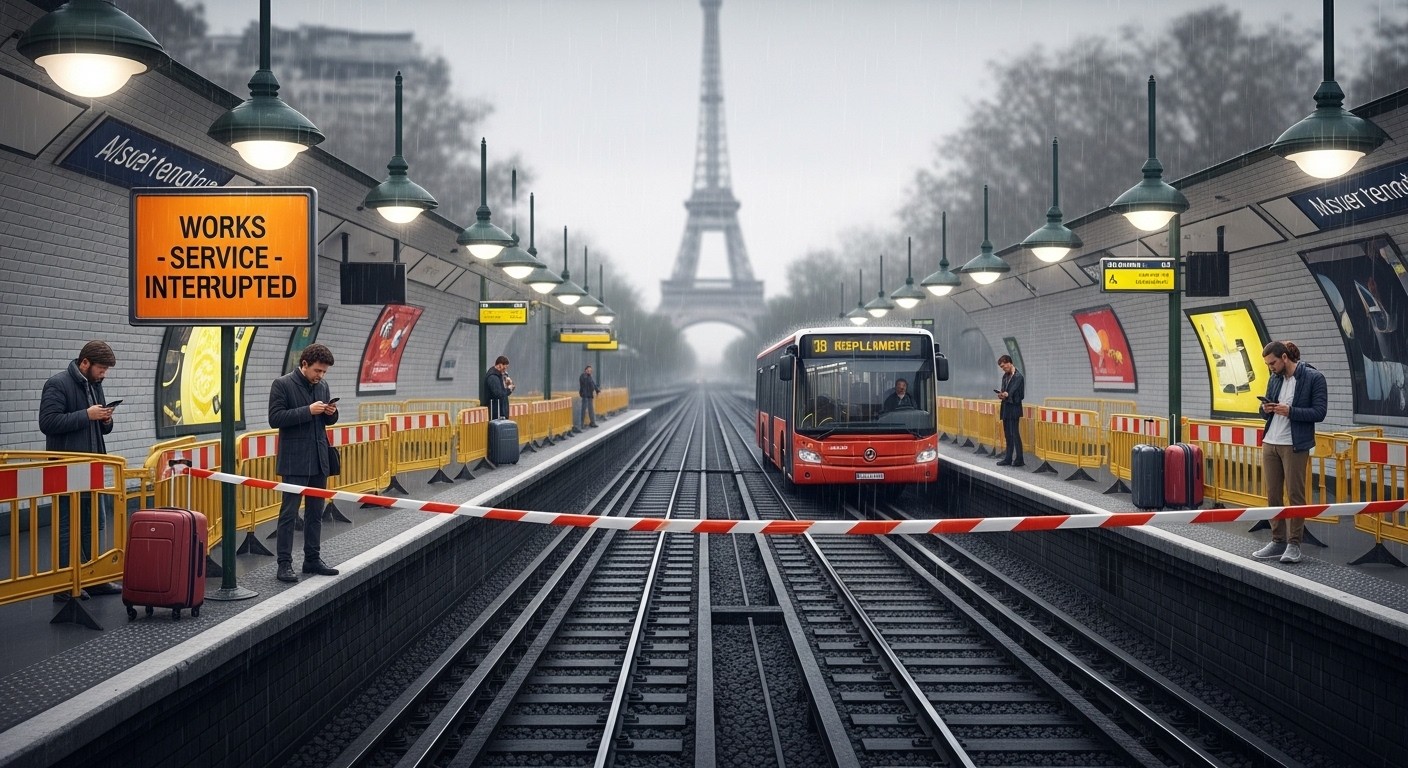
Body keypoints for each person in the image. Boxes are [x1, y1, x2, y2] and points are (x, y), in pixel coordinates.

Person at [38, 341, 122, 600]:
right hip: (67, 469)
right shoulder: (57, 384)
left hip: (91, 467)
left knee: (91, 524)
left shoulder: (96, 385)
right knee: (67, 526)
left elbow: (101, 428)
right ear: (84, 363)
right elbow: (48, 422)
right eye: (101, 368)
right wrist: (86, 414)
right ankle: (64, 586)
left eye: (106, 370)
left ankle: (92, 578)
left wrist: (106, 419)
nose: (103, 374)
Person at [268, 343, 341, 583]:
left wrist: (331, 413)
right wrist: (308, 410)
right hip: (295, 460)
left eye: (324, 372)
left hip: (319, 459)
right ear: (304, 365)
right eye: (317, 371)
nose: (320, 376)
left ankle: (312, 559)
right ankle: (284, 564)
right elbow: (275, 418)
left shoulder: (323, 386)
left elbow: (327, 422)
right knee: (289, 514)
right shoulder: (282, 385)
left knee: (315, 513)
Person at [1253, 341, 1327, 564]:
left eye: (1273, 363)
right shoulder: (1274, 378)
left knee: (1295, 495)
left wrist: (1291, 411)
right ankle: (1277, 541)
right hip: (1270, 442)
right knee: (1273, 495)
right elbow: (1266, 412)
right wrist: (1265, 409)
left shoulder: (1314, 378)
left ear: (1285, 357)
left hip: (1294, 445)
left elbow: (1320, 412)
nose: (1270, 368)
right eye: (1267, 364)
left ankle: (1294, 544)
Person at [995, 354, 1025, 467]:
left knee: (1015, 433)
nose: (1003, 368)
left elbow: (1018, 393)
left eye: (1004, 366)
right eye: (1001, 367)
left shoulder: (1018, 376)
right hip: (1006, 408)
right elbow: (1006, 390)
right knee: (1008, 434)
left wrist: (1007, 394)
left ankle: (1019, 459)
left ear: (1009, 363)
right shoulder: (1005, 376)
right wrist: (1002, 394)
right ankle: (1008, 458)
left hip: (1014, 408)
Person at [483, 355, 514, 420]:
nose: (505, 371)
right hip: (496, 413)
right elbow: (498, 394)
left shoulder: (499, 376)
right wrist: (509, 389)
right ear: (499, 365)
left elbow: (503, 393)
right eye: (504, 368)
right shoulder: (493, 377)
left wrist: (509, 386)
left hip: (500, 412)